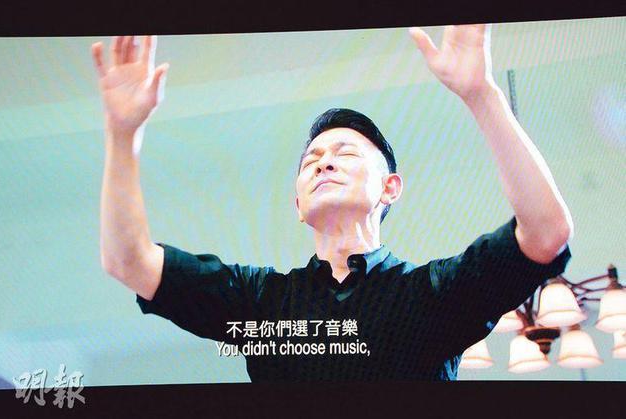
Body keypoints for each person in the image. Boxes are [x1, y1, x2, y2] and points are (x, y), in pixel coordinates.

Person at [92, 25, 573, 381]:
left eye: (345, 154)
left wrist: (481, 93)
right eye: (311, 161)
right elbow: (127, 261)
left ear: (390, 188)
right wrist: (121, 134)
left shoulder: (434, 294)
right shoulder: (260, 303)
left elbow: (546, 232)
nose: (323, 164)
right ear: (298, 205)